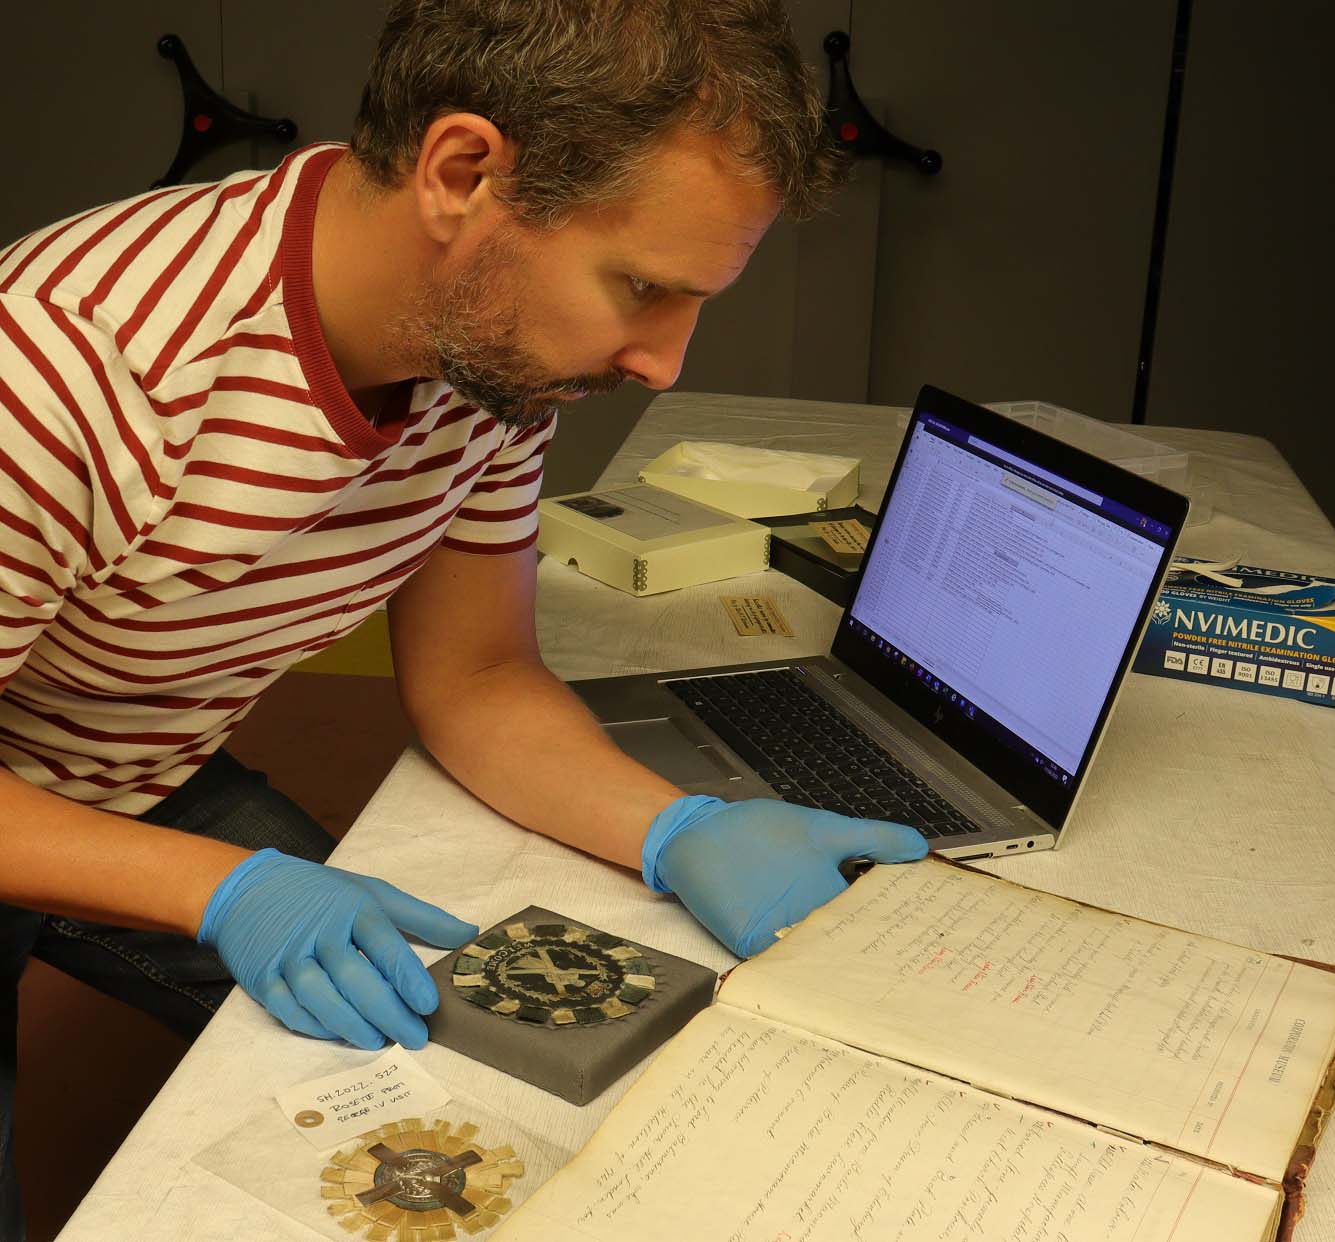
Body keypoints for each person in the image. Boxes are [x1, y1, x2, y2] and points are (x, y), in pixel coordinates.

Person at [0, 1, 926, 1232]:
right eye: (642, 286)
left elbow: (480, 673)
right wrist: (219, 889)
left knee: (479, 1042)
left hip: (126, 763)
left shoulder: (482, 351)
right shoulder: (69, 367)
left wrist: (679, 828)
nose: (663, 362)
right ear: (463, 173)